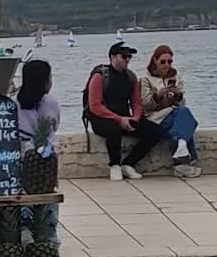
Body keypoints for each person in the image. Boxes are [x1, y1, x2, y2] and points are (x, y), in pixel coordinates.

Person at [86, 42, 166, 182]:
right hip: (101, 119)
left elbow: (136, 103)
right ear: (113, 57)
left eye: (129, 56)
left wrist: (135, 118)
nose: (127, 59)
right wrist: (119, 119)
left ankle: (129, 164)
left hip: (124, 118)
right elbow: (95, 106)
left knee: (155, 132)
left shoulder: (130, 77)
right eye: (124, 56)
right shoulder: (100, 76)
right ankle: (115, 165)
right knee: (114, 129)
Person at [16, 58, 61, 245]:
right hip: (46, 154)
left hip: (22, 152)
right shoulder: (51, 102)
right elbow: (55, 125)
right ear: (45, 80)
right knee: (47, 193)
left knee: (24, 192)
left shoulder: (15, 102)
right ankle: (49, 235)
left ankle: (25, 229)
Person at [139, 45, 201, 177]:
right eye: (163, 62)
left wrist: (178, 95)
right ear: (155, 60)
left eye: (169, 61)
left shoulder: (176, 77)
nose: (166, 65)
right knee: (185, 118)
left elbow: (182, 104)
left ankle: (181, 152)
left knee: (182, 115)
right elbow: (145, 105)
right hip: (156, 118)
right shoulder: (145, 79)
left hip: (173, 114)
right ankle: (187, 159)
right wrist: (158, 95)